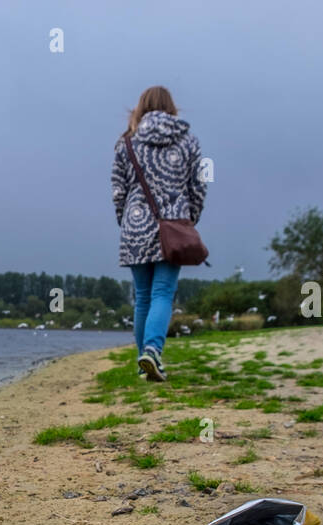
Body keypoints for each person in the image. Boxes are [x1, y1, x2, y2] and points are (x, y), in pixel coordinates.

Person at [111, 86, 206, 382]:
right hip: (173, 223)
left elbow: (118, 191)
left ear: (140, 107)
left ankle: (145, 362)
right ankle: (152, 351)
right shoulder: (189, 142)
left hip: (135, 226)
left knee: (142, 297)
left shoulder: (126, 143)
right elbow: (199, 187)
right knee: (163, 292)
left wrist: (125, 221)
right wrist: (188, 221)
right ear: (172, 108)